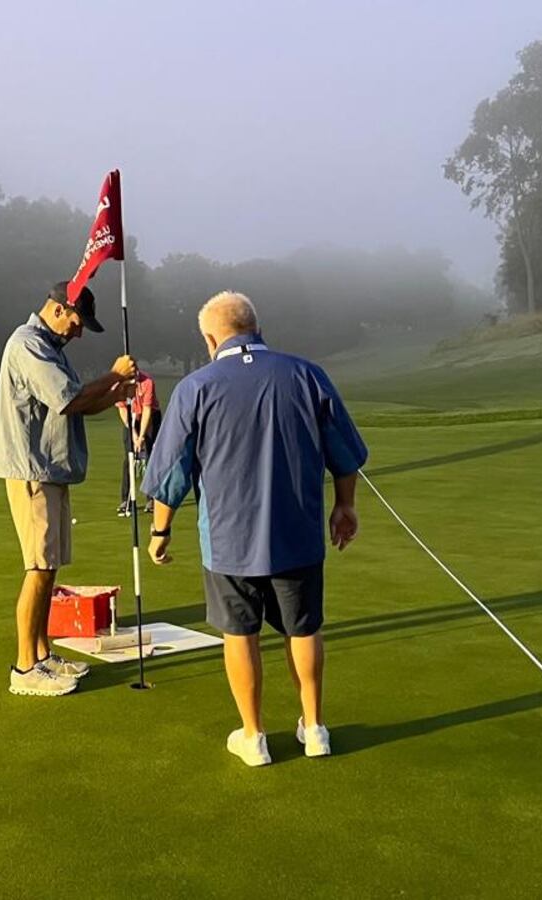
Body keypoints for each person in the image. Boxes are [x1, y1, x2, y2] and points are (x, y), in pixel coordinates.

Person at [142, 291, 367, 765]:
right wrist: (345, 505)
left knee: (240, 634)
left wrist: (160, 532)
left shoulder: (196, 386)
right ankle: (315, 728)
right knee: (303, 628)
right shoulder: (307, 375)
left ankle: (254, 736)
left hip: (228, 539)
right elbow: (344, 450)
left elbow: (171, 473)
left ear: (210, 337)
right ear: (255, 327)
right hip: (298, 531)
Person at [0, 281, 138, 697]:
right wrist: (114, 374)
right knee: (38, 568)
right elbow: (67, 397)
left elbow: (78, 404)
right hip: (32, 471)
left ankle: (42, 654)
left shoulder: (51, 349)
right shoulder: (28, 345)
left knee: (50, 566)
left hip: (51, 468)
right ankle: (25, 668)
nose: (78, 332)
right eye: (78, 322)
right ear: (60, 309)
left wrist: (115, 395)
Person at [114, 369, 162, 517]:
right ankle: (126, 500)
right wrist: (133, 434)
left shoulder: (147, 382)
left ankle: (152, 498)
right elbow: (123, 411)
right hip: (130, 417)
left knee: (150, 457)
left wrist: (141, 436)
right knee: (129, 458)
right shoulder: (118, 385)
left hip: (150, 417)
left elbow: (147, 410)